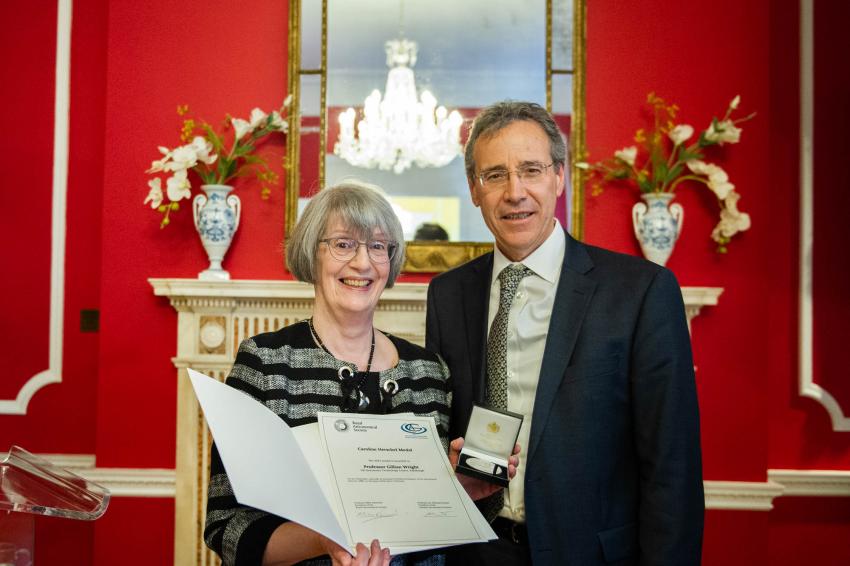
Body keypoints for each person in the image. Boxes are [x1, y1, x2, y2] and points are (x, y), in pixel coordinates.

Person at [425, 102, 704, 565]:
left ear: (558, 177)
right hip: (475, 550)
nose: (515, 192)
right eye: (495, 175)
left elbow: (672, 468)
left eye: (531, 170)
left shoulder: (641, 292)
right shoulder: (449, 293)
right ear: (474, 189)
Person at [205, 182, 459, 566]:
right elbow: (226, 526)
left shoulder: (428, 372)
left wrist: (462, 485)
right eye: (343, 244)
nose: (362, 263)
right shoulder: (266, 363)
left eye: (377, 246)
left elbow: (442, 525)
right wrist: (325, 541)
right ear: (312, 252)